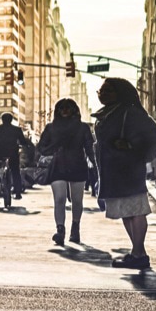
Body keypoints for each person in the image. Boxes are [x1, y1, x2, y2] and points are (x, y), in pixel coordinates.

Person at [93, 78, 156, 269]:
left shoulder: (130, 112)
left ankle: (139, 253)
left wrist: (131, 144)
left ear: (120, 92)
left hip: (129, 169)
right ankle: (136, 252)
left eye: (108, 90)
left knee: (136, 210)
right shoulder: (107, 113)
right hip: (112, 171)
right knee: (125, 212)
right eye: (101, 91)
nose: (103, 94)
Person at [40, 99, 95, 249]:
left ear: (74, 110)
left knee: (77, 200)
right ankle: (60, 230)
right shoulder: (51, 128)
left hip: (77, 164)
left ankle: (75, 227)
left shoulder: (83, 128)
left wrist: (95, 165)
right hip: (58, 165)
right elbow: (42, 147)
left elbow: (89, 148)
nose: (64, 110)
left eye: (68, 108)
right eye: (61, 108)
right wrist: (54, 146)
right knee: (59, 199)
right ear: (57, 110)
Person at [0, 114, 29, 208]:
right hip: (12, 154)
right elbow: (23, 142)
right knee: (15, 171)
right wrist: (24, 146)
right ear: (11, 120)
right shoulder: (17, 130)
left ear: (2, 120)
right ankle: (17, 192)